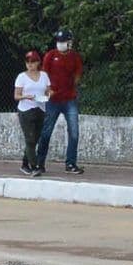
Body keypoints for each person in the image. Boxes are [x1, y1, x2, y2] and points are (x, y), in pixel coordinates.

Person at [37, 28, 84, 173]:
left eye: (63, 41)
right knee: (46, 132)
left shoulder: (75, 57)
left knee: (74, 132)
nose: (60, 44)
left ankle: (70, 163)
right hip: (53, 100)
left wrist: (71, 86)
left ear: (69, 42)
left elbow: (77, 75)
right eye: (59, 41)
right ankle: (39, 163)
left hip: (69, 99)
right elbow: (44, 75)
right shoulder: (50, 55)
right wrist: (48, 89)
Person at [11, 48, 50, 174]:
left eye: (33, 61)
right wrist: (25, 96)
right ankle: (35, 166)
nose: (30, 64)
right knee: (30, 139)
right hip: (26, 109)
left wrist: (49, 94)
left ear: (38, 62)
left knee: (35, 139)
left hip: (40, 108)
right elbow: (16, 96)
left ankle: (24, 164)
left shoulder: (44, 76)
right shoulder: (21, 77)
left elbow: (47, 91)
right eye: (27, 62)